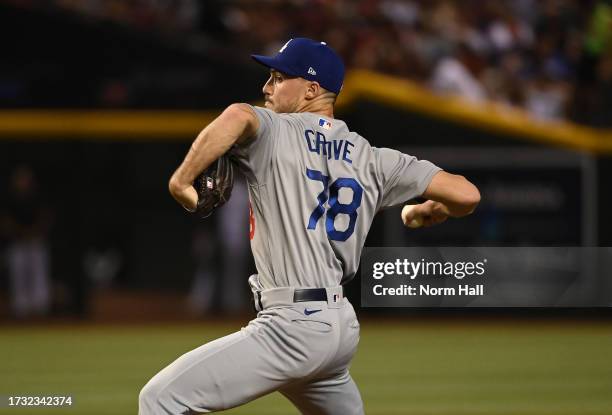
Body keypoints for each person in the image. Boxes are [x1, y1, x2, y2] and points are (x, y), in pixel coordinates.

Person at [139, 37, 480, 414]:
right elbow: (467, 195)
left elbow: (237, 114)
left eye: (278, 77)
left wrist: (181, 180)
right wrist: (433, 209)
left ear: (311, 89)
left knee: (160, 398)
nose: (266, 88)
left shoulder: (274, 131)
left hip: (291, 326)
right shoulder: (373, 157)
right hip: (338, 330)